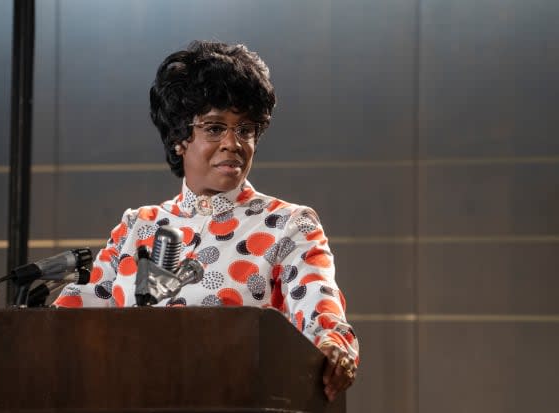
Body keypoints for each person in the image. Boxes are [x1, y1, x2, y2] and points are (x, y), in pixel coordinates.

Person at [54, 40, 359, 401]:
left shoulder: (287, 224)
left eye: (245, 129)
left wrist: (333, 342)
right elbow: (69, 320)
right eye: (214, 128)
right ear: (180, 138)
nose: (234, 143)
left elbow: (319, 307)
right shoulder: (137, 227)